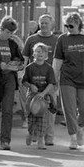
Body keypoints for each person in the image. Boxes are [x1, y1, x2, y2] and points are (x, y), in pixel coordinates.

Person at [53, 12, 84, 150]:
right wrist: (54, 78)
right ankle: (73, 137)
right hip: (67, 78)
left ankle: (79, 128)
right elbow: (57, 61)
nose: (68, 28)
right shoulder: (63, 39)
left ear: (79, 25)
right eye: (66, 25)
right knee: (69, 110)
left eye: (71, 25)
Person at [0, 16, 24, 150]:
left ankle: (5, 140)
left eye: (12, 33)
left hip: (9, 79)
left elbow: (20, 59)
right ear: (1, 29)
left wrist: (17, 63)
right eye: (7, 32)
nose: (9, 35)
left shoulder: (13, 44)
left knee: (7, 110)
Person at [22, 13, 59, 145]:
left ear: (52, 25)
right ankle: (34, 133)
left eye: (46, 23)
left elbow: (61, 60)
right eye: (41, 23)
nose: (43, 25)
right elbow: (25, 58)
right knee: (34, 110)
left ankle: (48, 137)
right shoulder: (31, 39)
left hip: (51, 81)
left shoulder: (57, 40)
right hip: (34, 82)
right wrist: (23, 77)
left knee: (49, 111)